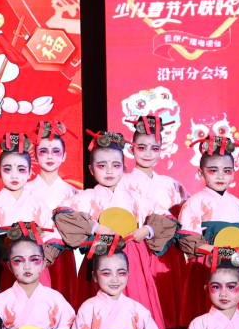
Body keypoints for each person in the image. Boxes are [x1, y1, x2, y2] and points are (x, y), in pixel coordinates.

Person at [52, 130, 173, 314]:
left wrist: (147, 230)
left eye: (116, 165)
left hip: (133, 256)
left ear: (124, 168)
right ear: (91, 169)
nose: (109, 171)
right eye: (102, 165)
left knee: (136, 302)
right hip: (100, 253)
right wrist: (95, 227)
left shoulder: (135, 198)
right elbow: (62, 214)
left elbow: (168, 219)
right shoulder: (87, 197)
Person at [177, 134, 239, 319]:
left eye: (227, 171)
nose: (220, 176)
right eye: (213, 170)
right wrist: (219, 252)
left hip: (237, 265)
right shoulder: (194, 203)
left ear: (233, 173)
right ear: (201, 173)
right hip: (205, 266)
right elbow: (189, 242)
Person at [122, 114, 193, 329]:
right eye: (141, 147)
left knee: (168, 300)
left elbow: (187, 215)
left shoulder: (172, 185)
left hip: (168, 254)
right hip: (137, 247)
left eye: (154, 148)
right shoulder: (122, 181)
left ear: (161, 150)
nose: (148, 153)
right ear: (131, 149)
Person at [0, 132, 58, 300]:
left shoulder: (38, 203)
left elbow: (51, 236)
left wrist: (36, 258)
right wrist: (5, 255)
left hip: (34, 267)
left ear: (30, 173)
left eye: (21, 170)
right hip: (2, 266)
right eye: (7, 169)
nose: (14, 175)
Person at [26, 120, 81, 301]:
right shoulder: (25, 190)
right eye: (43, 151)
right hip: (33, 251)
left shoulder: (73, 193)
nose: (50, 156)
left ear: (64, 156)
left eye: (56, 151)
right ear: (35, 155)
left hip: (63, 253)